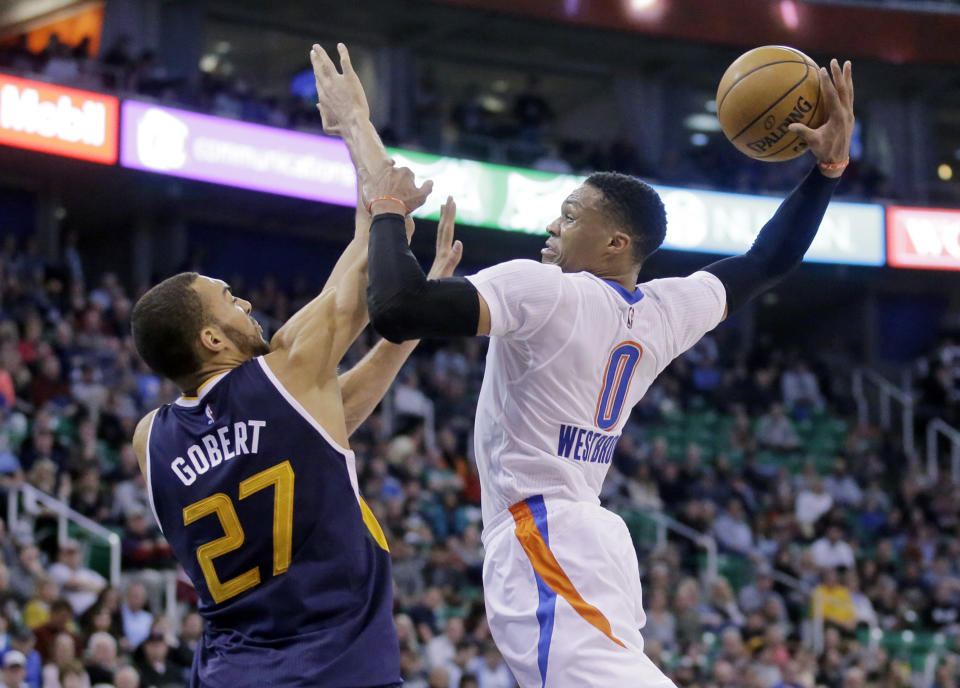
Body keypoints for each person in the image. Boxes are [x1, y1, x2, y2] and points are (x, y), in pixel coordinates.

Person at [312, 43, 854, 687]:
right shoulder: (664, 308)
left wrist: (387, 206)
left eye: (570, 216)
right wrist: (828, 169)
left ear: (617, 243)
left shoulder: (546, 289)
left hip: (539, 533)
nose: (553, 224)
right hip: (592, 537)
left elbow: (397, 308)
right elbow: (768, 260)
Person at [129, 108, 464, 686]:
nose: (246, 304)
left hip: (229, 672)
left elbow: (323, 427)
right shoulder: (282, 373)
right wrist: (360, 128)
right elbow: (367, 270)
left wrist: (406, 336)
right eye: (230, 299)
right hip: (337, 666)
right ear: (211, 338)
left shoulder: (150, 440)